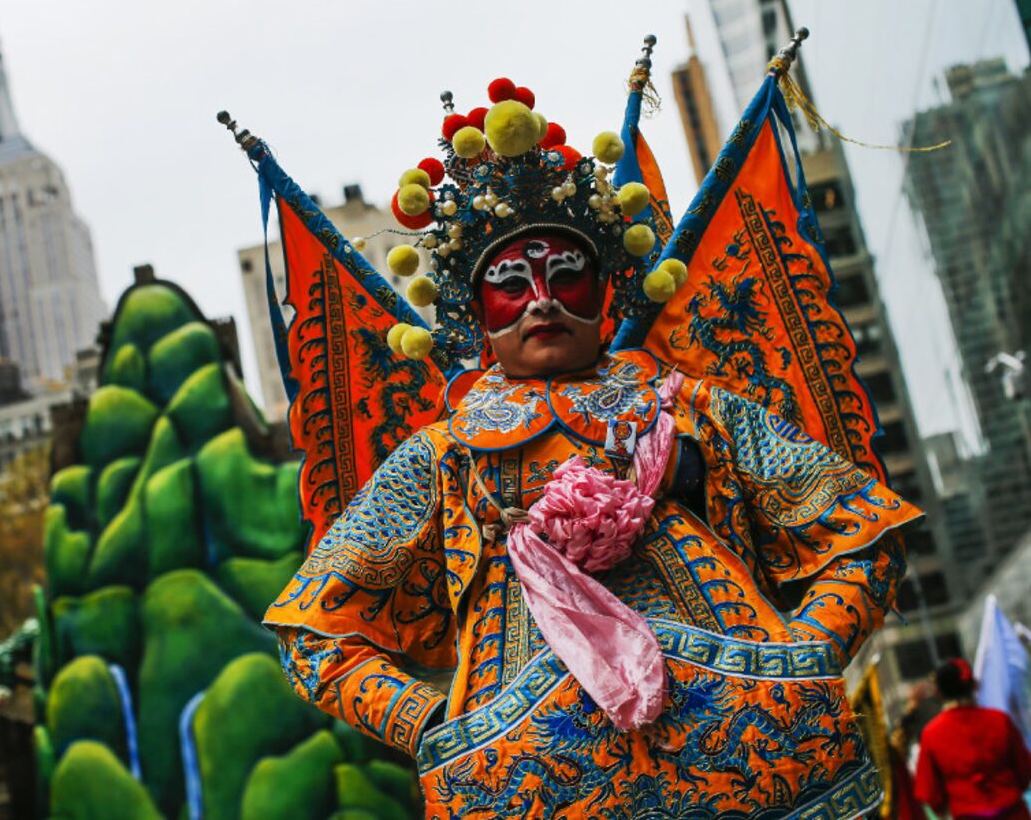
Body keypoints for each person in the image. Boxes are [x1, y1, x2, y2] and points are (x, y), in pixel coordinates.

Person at [254, 72, 923, 818]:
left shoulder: (688, 406)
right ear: (477, 313)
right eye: (512, 282)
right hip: (534, 785)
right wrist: (434, 723)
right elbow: (314, 629)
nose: (541, 296)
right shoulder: (442, 458)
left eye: (566, 274)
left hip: (762, 756)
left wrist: (806, 651)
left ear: (603, 290)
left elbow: (865, 531)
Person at [915, 658, 1031, 819]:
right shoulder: (999, 720)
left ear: (938, 692)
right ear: (973, 685)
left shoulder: (931, 733)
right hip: (1013, 812)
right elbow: (1024, 769)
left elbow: (929, 790)